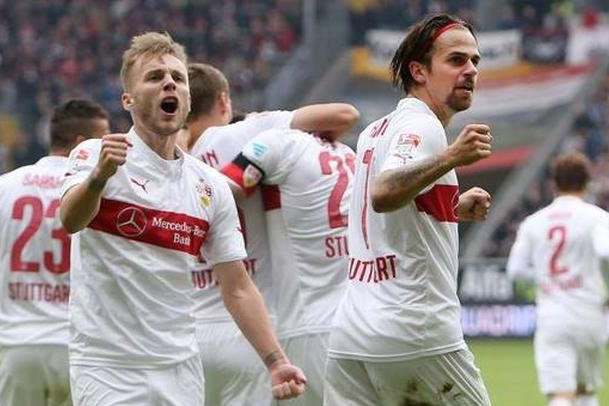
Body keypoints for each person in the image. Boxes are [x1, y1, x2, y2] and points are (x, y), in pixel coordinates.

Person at [59, 32, 305, 406]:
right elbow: (71, 221)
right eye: (154, 77)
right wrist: (98, 178)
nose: (169, 83)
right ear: (127, 99)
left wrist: (276, 362)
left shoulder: (210, 185)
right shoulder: (96, 154)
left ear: (187, 100)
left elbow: (237, 287)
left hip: (181, 367)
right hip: (108, 366)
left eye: (178, 77)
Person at [324, 13, 493, 406]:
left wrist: (453, 207)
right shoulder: (424, 126)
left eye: (474, 61)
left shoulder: (374, 131)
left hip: (352, 334)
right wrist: (452, 156)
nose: (470, 70)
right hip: (414, 329)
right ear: (419, 71)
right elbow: (385, 193)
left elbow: (388, 214)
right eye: (456, 60)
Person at [182, 62, 359, 406]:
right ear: (223, 100)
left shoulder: (165, 158)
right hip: (252, 327)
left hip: (188, 330)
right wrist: (264, 120)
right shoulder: (250, 133)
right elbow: (344, 114)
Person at [223, 126, 356, 405]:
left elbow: (219, 193)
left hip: (307, 326)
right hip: (358, 321)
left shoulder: (279, 143)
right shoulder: (347, 154)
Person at [0, 99, 110, 406]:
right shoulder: (101, 195)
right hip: (78, 348)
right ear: (81, 143)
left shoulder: (5, 187)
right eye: (103, 140)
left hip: (16, 344)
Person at [507, 152, 609, 406]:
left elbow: (516, 271)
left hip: (552, 315)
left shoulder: (533, 222)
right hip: (589, 314)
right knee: (585, 391)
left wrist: (545, 279)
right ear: (587, 182)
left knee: (560, 394)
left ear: (554, 183)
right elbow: (605, 252)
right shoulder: (597, 217)